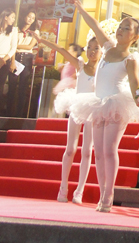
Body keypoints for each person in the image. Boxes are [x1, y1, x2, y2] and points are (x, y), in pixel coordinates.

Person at [69, 0, 139, 213]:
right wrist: (81, 9)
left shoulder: (130, 58)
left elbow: (134, 82)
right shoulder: (108, 46)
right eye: (121, 26)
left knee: (110, 150)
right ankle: (103, 192)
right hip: (98, 104)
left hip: (115, 105)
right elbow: (95, 25)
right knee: (99, 152)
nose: (121, 30)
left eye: (127, 28)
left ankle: (108, 196)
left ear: (135, 37)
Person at [33, 33, 102, 204]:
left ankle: (80, 190)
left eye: (96, 48)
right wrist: (42, 40)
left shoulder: (103, 70)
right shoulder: (80, 65)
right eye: (90, 48)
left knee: (87, 151)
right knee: (70, 149)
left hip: (93, 110)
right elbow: (62, 50)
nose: (92, 51)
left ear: (102, 51)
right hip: (77, 106)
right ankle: (63, 186)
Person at [7, 8, 38, 117]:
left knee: (23, 87)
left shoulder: (35, 32)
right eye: (29, 16)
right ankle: (8, 114)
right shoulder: (16, 30)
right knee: (11, 86)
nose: (30, 19)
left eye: (33, 18)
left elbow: (30, 46)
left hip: (27, 58)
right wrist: (12, 60)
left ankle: (19, 115)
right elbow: (11, 48)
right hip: (15, 57)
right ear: (24, 16)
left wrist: (15, 45)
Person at [0, 9, 17, 115]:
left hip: (4, 60)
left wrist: (4, 59)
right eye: (12, 17)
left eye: (14, 18)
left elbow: (13, 47)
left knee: (1, 85)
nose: (13, 20)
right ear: (5, 17)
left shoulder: (13, 30)